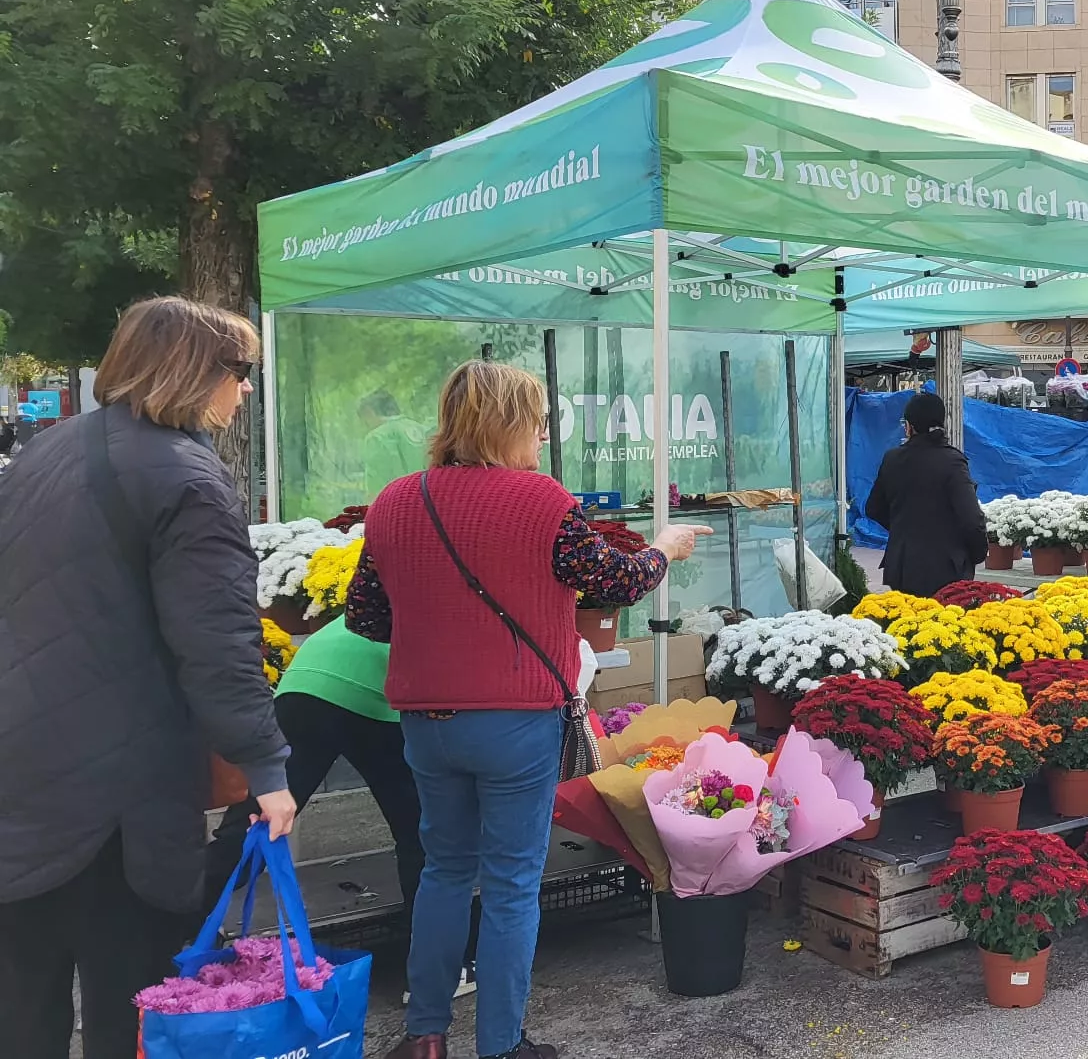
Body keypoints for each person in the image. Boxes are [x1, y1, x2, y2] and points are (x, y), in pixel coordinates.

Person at [350, 361, 708, 1059]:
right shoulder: (544, 502)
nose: (544, 438)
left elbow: (365, 615)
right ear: (514, 425)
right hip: (516, 720)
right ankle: (502, 1044)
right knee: (513, 884)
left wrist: (442, 630)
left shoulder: (395, 501)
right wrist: (665, 550)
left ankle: (425, 1035)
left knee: (444, 870)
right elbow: (617, 578)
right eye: (540, 424)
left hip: (426, 722)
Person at [0, 296, 295, 1059]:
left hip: (23, 773)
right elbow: (220, 643)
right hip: (121, 800)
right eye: (241, 371)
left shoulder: (42, 453)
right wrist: (266, 767)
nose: (247, 389)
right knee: (134, 1008)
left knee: (23, 1004)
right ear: (196, 371)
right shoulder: (188, 477)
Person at [203, 616, 478, 997]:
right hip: (375, 692)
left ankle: (154, 949)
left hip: (306, 682)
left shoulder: (397, 571)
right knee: (423, 835)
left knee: (253, 828)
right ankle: (441, 973)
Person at [865, 391, 986, 598]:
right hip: (947, 568)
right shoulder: (952, 462)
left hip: (902, 566)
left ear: (909, 426)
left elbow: (873, 508)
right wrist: (975, 554)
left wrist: (904, 530)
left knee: (905, 626)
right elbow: (972, 519)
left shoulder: (892, 459)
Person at [360, 388, 431, 499]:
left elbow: (375, 488)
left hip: (397, 508)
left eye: (365, 422)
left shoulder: (376, 437)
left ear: (368, 412)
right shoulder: (420, 429)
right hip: (428, 505)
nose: (366, 426)